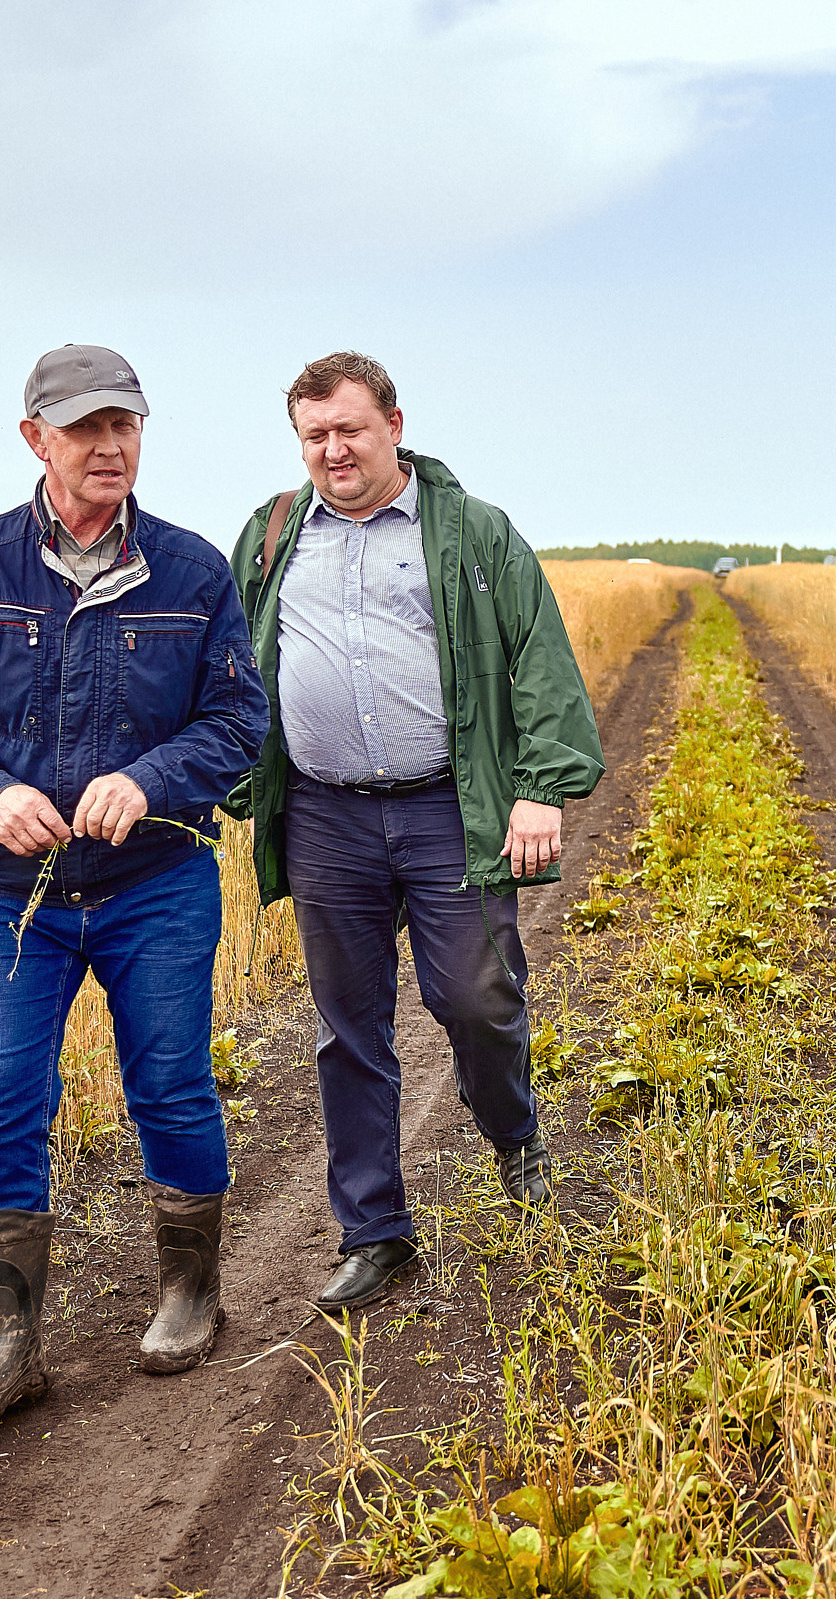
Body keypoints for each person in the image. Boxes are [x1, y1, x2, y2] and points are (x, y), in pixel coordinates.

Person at [0, 344, 268, 1425]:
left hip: (157, 882)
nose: (111, 446)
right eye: (86, 428)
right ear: (36, 439)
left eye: (125, 425)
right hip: (13, 895)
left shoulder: (193, 571)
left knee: (172, 1086)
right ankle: (10, 1340)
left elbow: (238, 721)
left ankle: (190, 1293)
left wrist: (150, 777)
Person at [226, 351, 602, 1313]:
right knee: (348, 1027)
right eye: (314, 435)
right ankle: (374, 1232)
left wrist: (541, 788)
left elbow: (539, 657)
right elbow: (229, 661)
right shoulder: (270, 536)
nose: (333, 450)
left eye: (349, 429)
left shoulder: (472, 531)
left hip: (449, 804)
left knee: (476, 996)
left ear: (394, 425)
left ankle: (512, 1133)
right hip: (324, 813)